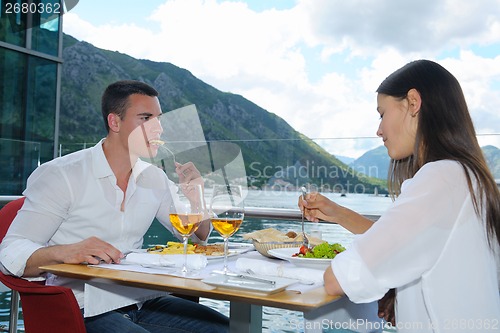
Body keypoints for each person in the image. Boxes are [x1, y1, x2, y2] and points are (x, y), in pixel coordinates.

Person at [0, 80, 229, 333]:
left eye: (159, 119)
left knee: (229, 329)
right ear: (115, 122)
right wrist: (66, 251)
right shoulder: (61, 175)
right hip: (81, 306)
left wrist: (197, 195)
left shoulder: (155, 178)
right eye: (146, 118)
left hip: (142, 299)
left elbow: (198, 236)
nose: (159, 129)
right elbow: (10, 251)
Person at [299, 60, 500, 332]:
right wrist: (339, 214)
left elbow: (339, 279)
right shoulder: (468, 177)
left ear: (413, 102)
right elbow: (413, 241)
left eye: (382, 114)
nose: (379, 130)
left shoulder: (440, 179)